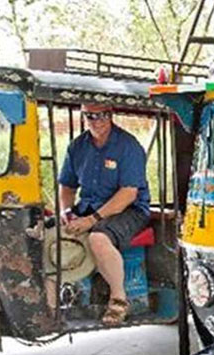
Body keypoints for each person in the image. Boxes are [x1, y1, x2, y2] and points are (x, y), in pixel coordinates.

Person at [58, 103, 150, 325]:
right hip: (89, 206)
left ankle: (119, 299)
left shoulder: (128, 146)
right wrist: (67, 213)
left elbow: (128, 193)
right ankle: (54, 305)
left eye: (102, 115)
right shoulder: (77, 147)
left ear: (111, 115)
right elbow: (67, 187)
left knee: (98, 238)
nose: (96, 120)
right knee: (47, 233)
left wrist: (91, 220)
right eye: (90, 115)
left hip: (130, 209)